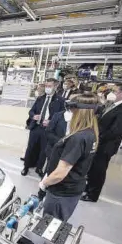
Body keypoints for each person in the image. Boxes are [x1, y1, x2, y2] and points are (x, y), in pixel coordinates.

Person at [39, 93, 98, 221]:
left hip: (61, 191)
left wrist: (44, 183)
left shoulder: (77, 138)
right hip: (73, 187)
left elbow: (60, 174)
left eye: (72, 110)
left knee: (49, 227)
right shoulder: (91, 133)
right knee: (57, 224)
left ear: (79, 112)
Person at [82, 84, 122, 202]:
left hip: (106, 145)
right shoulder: (112, 104)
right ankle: (88, 188)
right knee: (93, 168)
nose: (112, 93)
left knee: (99, 169)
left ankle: (93, 195)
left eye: (115, 91)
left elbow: (115, 131)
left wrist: (97, 137)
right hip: (100, 141)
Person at [22, 78, 65, 177]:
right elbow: (31, 111)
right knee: (31, 148)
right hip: (36, 128)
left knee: (44, 151)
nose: (47, 88)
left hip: (48, 130)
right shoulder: (40, 98)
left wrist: (51, 122)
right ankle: (26, 166)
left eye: (49, 86)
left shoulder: (60, 101)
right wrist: (33, 116)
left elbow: (61, 117)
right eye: (46, 86)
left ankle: (39, 168)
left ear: (55, 86)